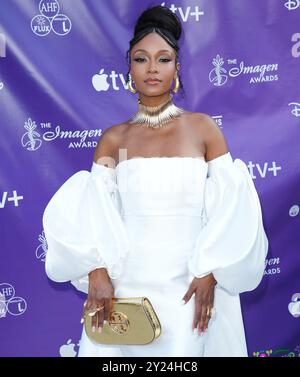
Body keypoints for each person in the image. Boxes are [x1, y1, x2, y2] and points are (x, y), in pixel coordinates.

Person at [42, 5, 269, 357]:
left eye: (163, 59)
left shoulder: (204, 129)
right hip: (128, 285)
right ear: (129, 67)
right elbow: (95, 211)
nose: (152, 68)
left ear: (177, 67)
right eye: (141, 59)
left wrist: (211, 271)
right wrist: (96, 269)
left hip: (193, 281)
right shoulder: (113, 140)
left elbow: (233, 207)